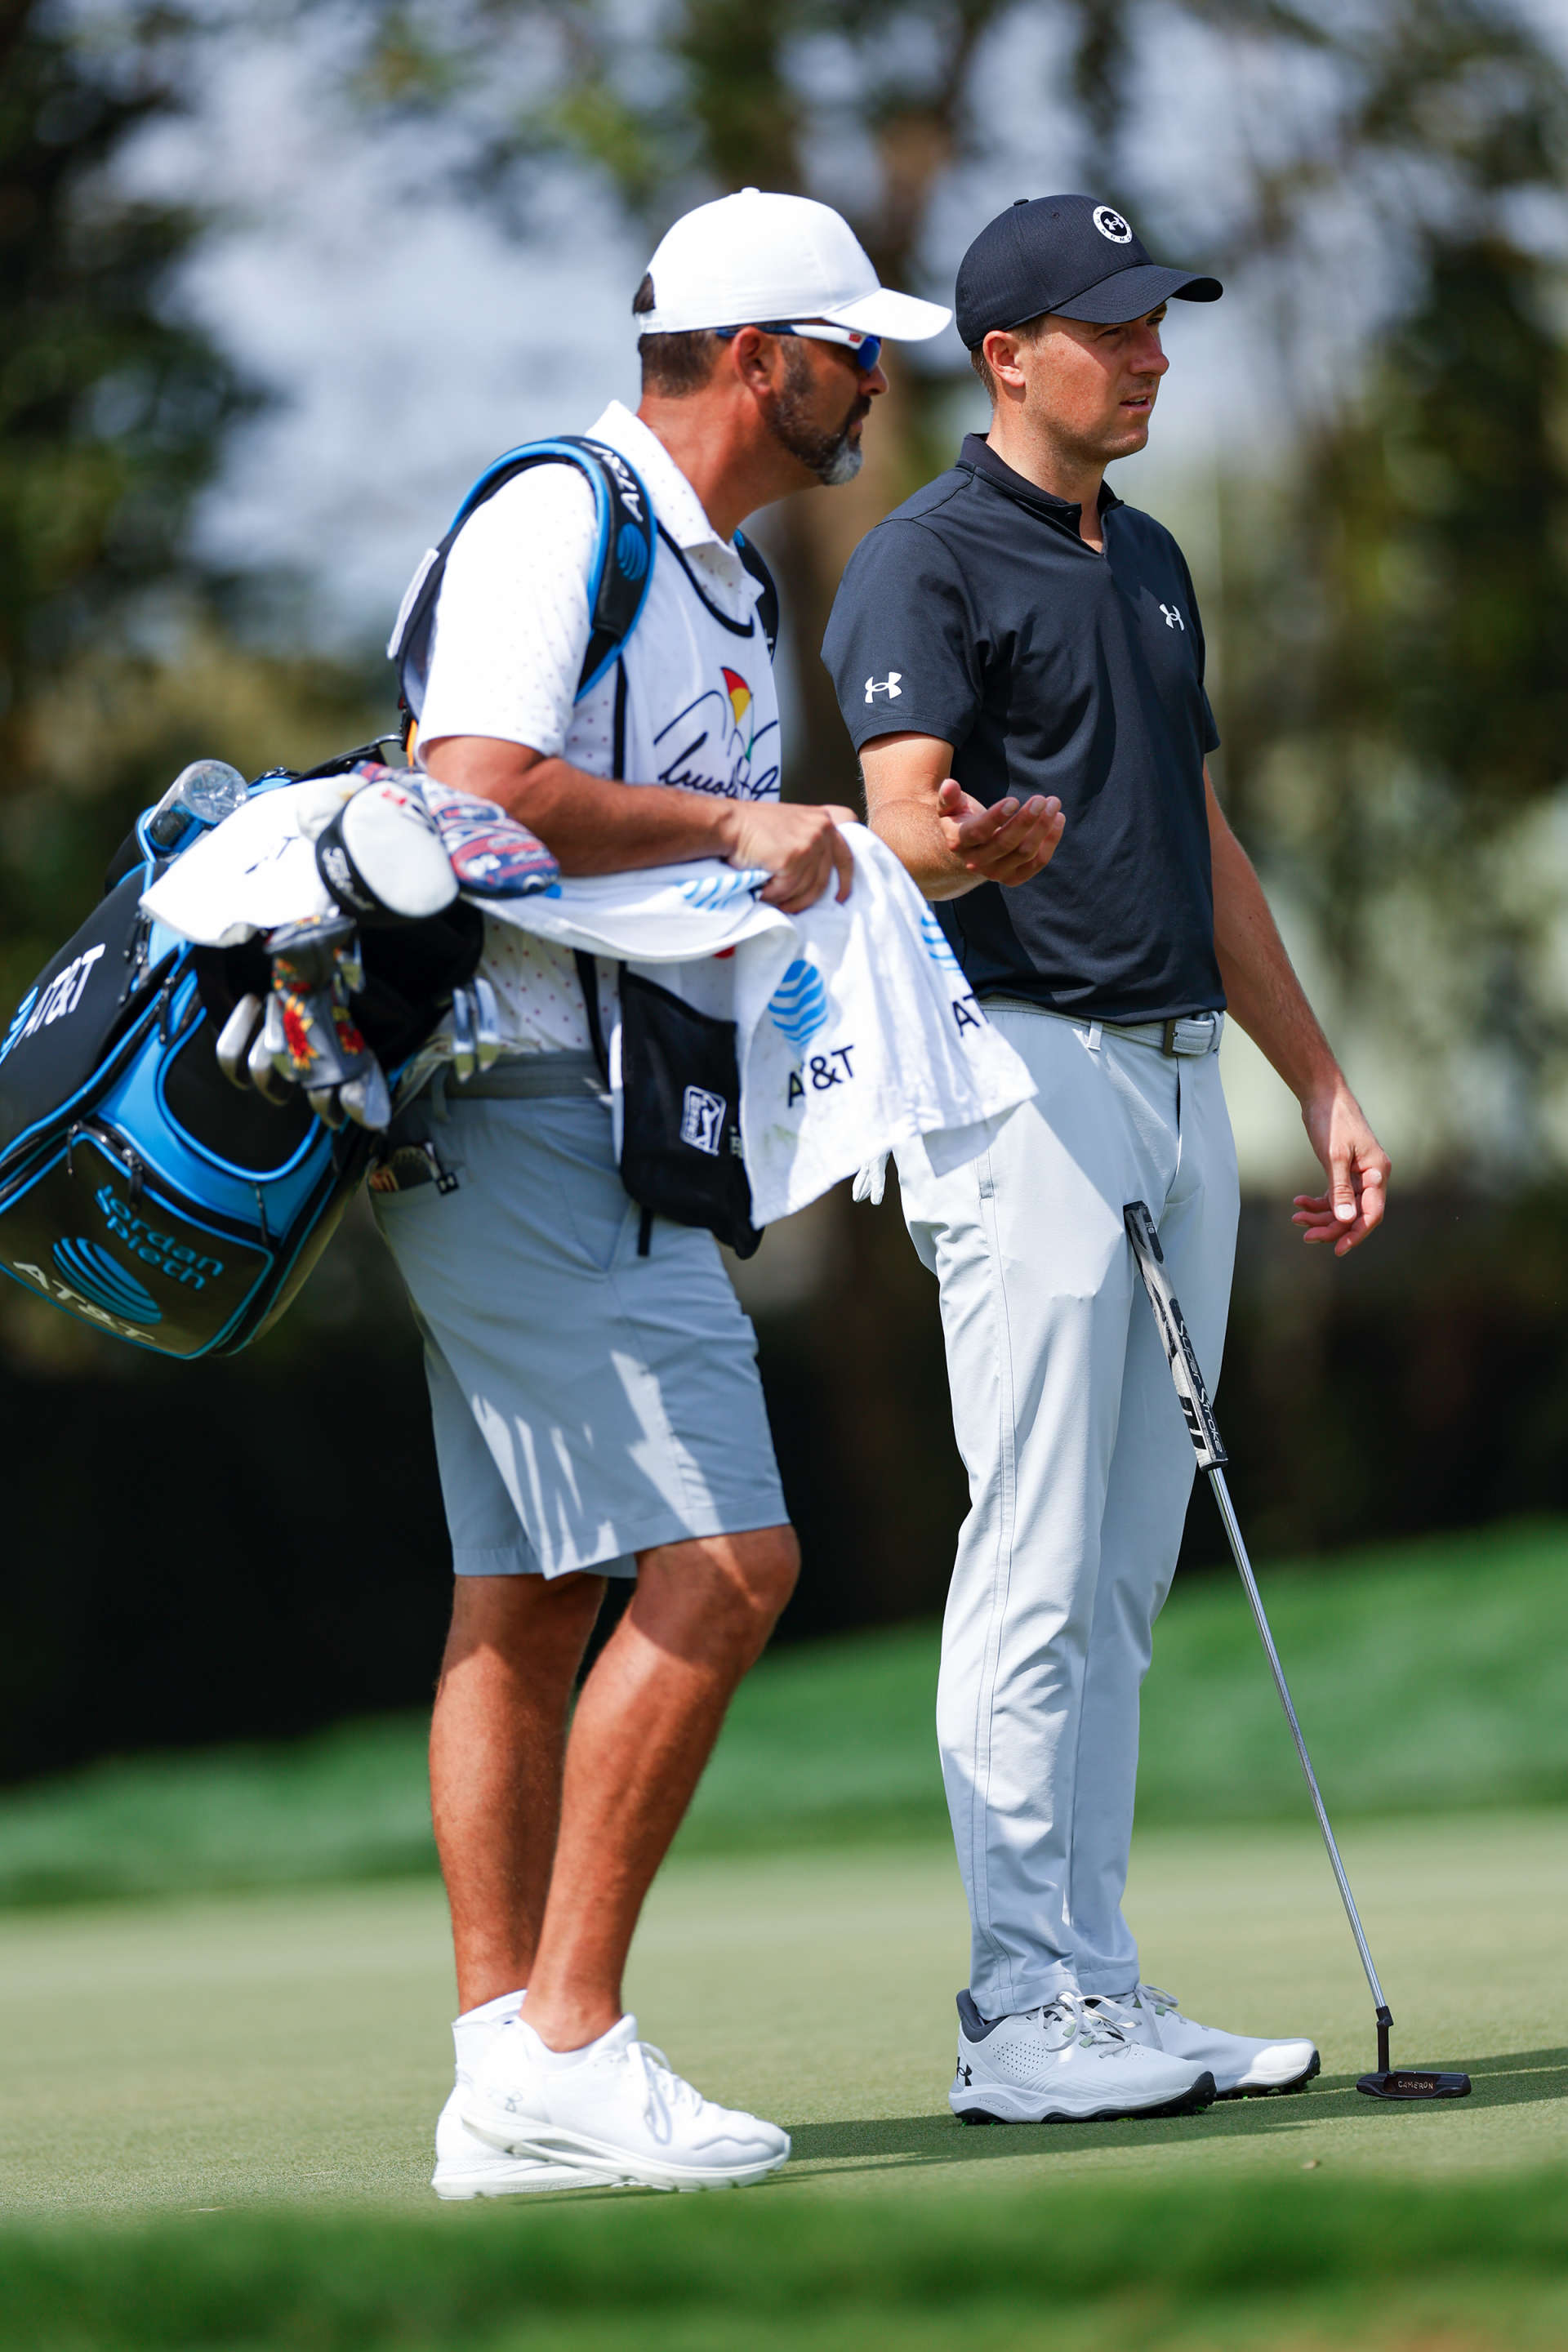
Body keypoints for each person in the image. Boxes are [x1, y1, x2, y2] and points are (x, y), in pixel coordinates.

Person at [377, 187, 949, 2194]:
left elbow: (714, 877)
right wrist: (739, 817)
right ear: (749, 358)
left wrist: (897, 871)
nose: (874, 380)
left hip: (609, 1112)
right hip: (517, 1093)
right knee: (729, 1563)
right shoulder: (567, 510)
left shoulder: (723, 575)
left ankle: (497, 2077)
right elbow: (475, 785)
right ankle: (569, 2039)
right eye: (846, 348)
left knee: (531, 1596)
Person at [822, 194, 1391, 2124]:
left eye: (1160, 325)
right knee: (1039, 1552)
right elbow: (890, 821)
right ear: (1008, 357)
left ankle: (1101, 1988)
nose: (1152, 353)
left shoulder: (1143, 559)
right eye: (1116, 328)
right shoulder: (921, 561)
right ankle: (1016, 2016)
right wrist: (966, 846)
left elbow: (1203, 840)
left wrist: (1312, 1075)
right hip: (1020, 1081)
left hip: (1170, 1083)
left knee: (1128, 1570)